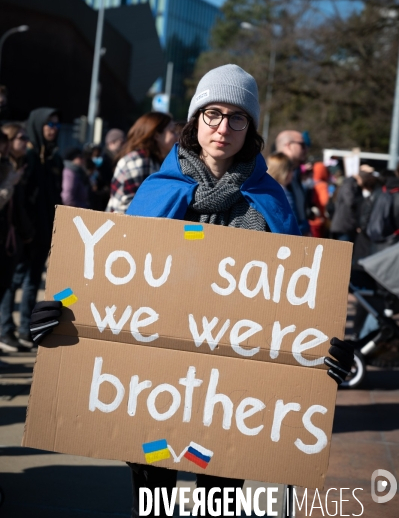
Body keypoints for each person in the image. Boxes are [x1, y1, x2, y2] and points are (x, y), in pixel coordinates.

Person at [30, 65, 353, 517]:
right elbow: (109, 278)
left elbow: (298, 300)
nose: (223, 127)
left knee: (218, 503)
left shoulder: (272, 202)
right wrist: (59, 309)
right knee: (153, 500)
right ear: (195, 119)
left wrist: (326, 348)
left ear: (251, 128)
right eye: (212, 113)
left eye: (237, 117)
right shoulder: (156, 190)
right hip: (151, 382)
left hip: (236, 396)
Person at [2, 108, 63, 349]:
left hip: (44, 230)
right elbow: (20, 199)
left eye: (57, 125)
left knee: (33, 282)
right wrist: (25, 229)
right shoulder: (27, 157)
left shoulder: (53, 157)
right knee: (13, 281)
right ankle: (5, 328)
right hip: (23, 232)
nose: (53, 129)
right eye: (49, 124)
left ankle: (26, 328)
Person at [0, 124, 33, 351]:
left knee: (8, 284)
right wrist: (8, 185)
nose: (25, 142)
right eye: (20, 138)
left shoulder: (16, 166)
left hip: (11, 237)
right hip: (7, 236)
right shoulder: (9, 171)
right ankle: (6, 330)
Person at [106, 113, 177, 213]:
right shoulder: (139, 161)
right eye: (172, 131)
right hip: (125, 226)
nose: (176, 136)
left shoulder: (153, 160)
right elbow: (131, 208)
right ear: (157, 135)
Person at [275, 130, 310, 235]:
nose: (306, 149)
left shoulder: (296, 173)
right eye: (302, 145)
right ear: (288, 145)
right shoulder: (271, 176)